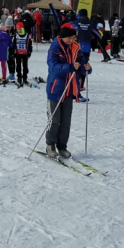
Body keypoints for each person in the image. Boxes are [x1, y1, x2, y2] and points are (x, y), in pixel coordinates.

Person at [44, 25, 87, 158]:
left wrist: (86, 67)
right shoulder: (55, 48)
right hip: (55, 90)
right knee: (54, 120)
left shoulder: (75, 47)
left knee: (66, 121)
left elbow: (81, 63)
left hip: (69, 89)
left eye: (74, 37)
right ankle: (50, 145)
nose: (72, 40)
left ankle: (62, 146)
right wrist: (69, 66)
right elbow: (53, 67)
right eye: (70, 37)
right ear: (63, 37)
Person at [13, 21, 33, 87]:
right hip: (18, 53)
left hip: (25, 53)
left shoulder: (27, 35)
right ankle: (19, 77)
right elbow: (13, 44)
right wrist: (13, 52)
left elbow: (30, 45)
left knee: (25, 67)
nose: (19, 30)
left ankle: (25, 78)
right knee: (18, 66)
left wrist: (29, 51)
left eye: (20, 29)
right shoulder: (16, 35)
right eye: (18, 29)